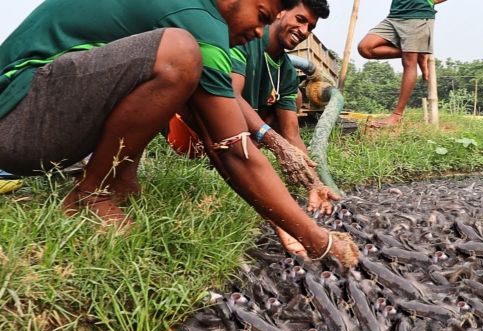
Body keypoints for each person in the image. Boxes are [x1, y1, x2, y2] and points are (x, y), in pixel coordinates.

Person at [0, 0, 359, 267]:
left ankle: (121, 181)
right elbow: (232, 149)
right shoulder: (199, 21)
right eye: (262, 17)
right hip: (18, 122)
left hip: (36, 120)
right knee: (179, 55)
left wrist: (285, 206)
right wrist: (317, 239)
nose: (257, 31)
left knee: (178, 77)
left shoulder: (200, 15)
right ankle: (90, 196)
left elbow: (216, 136)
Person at [166, 0, 335, 256]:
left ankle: (250, 159)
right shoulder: (245, 35)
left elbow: (291, 134)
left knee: (295, 100)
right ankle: (248, 170)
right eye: (300, 19)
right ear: (280, 11)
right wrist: (273, 142)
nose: (303, 30)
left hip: (244, 133)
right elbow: (229, 95)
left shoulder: (287, 71)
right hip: (195, 132)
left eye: (310, 27)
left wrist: (314, 183)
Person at [358, 0, 448, 127]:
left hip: (418, 15)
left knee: (408, 62)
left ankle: (397, 115)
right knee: (365, 48)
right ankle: (419, 52)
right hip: (395, 15)